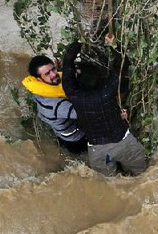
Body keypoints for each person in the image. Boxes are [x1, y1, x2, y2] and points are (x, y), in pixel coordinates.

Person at [61, 37, 146, 176]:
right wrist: (114, 44)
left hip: (99, 151)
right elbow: (123, 64)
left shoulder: (74, 95)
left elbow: (67, 64)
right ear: (101, 80)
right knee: (141, 176)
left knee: (109, 184)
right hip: (124, 143)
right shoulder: (107, 92)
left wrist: (79, 42)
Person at [22, 55, 88, 153]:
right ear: (39, 79)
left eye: (53, 69)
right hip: (75, 139)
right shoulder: (55, 104)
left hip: (60, 129)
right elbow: (87, 113)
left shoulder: (38, 90)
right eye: (47, 74)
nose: (53, 74)